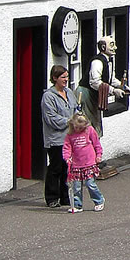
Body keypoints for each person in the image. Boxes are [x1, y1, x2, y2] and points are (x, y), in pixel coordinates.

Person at [40, 65, 79, 208]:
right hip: (55, 139)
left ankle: (65, 196)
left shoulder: (69, 92)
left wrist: (78, 117)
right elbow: (51, 118)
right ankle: (52, 197)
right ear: (55, 78)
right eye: (63, 77)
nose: (66, 80)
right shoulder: (48, 96)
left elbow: (75, 109)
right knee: (55, 168)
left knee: (66, 168)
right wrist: (69, 121)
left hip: (69, 138)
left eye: (67, 77)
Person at [61, 111, 105, 213]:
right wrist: (67, 157)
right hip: (76, 165)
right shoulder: (70, 135)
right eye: (76, 127)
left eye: (81, 128)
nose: (78, 130)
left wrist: (98, 155)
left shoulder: (89, 130)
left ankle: (99, 200)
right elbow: (67, 148)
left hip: (89, 163)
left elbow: (97, 144)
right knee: (76, 187)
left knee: (90, 184)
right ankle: (77, 205)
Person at [85, 37, 129, 138]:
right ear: (103, 47)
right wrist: (113, 90)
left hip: (95, 97)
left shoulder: (108, 61)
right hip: (87, 96)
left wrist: (122, 86)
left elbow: (111, 79)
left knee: (96, 127)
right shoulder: (97, 62)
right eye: (112, 45)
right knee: (89, 127)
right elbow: (95, 82)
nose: (115, 48)